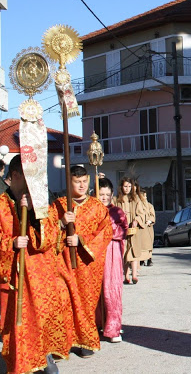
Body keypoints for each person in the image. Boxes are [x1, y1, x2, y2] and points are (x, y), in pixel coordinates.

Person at [0, 155, 73, 373]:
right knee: (14, 336)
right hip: (11, 285)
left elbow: (49, 239)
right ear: (15, 176)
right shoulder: (1, 205)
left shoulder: (42, 205)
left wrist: (32, 212)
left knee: (40, 332)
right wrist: (10, 243)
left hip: (40, 284)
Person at [51, 165, 112, 357]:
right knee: (62, 301)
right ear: (69, 182)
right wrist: (61, 223)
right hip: (63, 263)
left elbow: (106, 232)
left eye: (85, 181)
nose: (82, 185)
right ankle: (62, 343)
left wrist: (81, 240)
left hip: (87, 265)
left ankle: (85, 342)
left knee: (86, 303)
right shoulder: (58, 205)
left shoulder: (97, 207)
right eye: (77, 182)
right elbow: (46, 233)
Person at [96, 177, 127, 343]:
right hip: (93, 253)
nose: (104, 197)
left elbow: (123, 231)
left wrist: (106, 228)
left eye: (107, 194)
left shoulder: (118, 212)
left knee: (111, 290)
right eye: (101, 194)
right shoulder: (90, 210)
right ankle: (96, 323)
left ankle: (113, 327)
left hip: (112, 253)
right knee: (94, 291)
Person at [116, 177, 144, 284]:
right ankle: (126, 276)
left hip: (133, 231)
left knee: (133, 252)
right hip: (122, 231)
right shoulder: (117, 199)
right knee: (124, 253)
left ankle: (135, 275)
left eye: (129, 186)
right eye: (125, 186)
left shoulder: (136, 199)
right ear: (121, 187)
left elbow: (141, 214)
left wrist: (136, 220)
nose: (127, 189)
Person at [138, 188, 155, 266]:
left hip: (148, 228)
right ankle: (141, 260)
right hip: (141, 228)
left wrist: (150, 221)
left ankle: (149, 258)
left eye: (146, 196)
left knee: (149, 244)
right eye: (144, 196)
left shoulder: (150, 206)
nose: (145, 198)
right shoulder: (137, 205)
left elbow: (152, 215)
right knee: (141, 245)